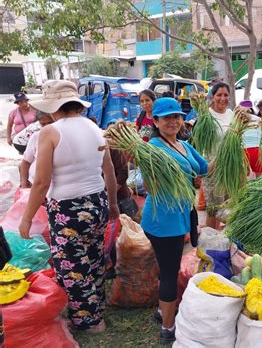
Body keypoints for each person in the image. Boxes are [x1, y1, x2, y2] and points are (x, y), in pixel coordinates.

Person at [18, 80, 119, 333]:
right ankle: (96, 310)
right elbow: (109, 170)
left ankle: (90, 322)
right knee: (94, 261)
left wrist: (26, 218)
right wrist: (113, 203)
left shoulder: (49, 132)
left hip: (68, 211)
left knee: (73, 267)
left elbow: (41, 182)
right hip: (97, 203)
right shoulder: (95, 127)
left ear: (53, 107)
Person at [140, 97, 207, 344]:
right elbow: (149, 185)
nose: (173, 121)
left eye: (177, 116)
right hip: (163, 220)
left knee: (167, 266)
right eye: (166, 117)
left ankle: (161, 310)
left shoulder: (183, 145)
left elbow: (203, 167)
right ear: (155, 121)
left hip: (181, 215)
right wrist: (188, 179)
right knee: (169, 272)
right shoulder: (152, 148)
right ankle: (168, 328)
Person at [203, 82, 234, 229]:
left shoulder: (231, 114)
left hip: (230, 167)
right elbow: (200, 142)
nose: (223, 98)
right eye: (219, 95)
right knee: (213, 208)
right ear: (212, 97)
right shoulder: (206, 116)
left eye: (226, 95)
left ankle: (221, 242)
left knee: (227, 205)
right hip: (213, 166)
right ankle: (210, 242)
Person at [19, 111, 55, 188]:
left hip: (53, 185)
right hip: (36, 183)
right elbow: (26, 162)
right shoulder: (36, 137)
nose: (46, 126)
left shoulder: (61, 136)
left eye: (50, 123)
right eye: (43, 124)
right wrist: (24, 183)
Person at [239, 100, 262, 177]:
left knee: (244, 178)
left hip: (243, 151)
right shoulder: (258, 119)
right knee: (260, 179)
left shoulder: (238, 120)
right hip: (257, 150)